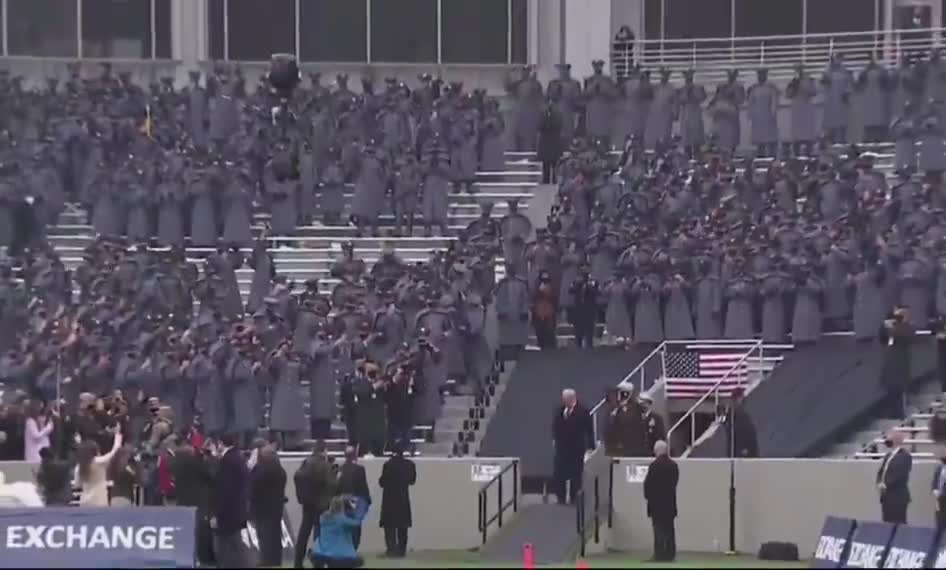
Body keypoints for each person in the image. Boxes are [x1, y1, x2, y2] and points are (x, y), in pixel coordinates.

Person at [293, 441, 338, 568]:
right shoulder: (324, 466)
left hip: (308, 504)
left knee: (303, 534)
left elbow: (297, 477)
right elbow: (332, 485)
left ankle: (298, 562)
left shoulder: (305, 463)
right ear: (324, 450)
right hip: (321, 504)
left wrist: (302, 498)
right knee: (319, 536)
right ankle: (318, 563)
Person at [211, 433, 251, 568]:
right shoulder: (237, 457)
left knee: (226, 547)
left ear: (221, 443)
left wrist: (218, 513)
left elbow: (225, 490)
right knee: (235, 545)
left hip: (228, 512)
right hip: (237, 510)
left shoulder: (227, 460)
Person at [172, 443, 215, 566]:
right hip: (198, 503)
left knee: (186, 532)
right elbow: (210, 476)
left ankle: (186, 557)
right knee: (198, 532)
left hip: (183, 503)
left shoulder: (176, 465)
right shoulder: (196, 463)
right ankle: (199, 558)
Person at [551, 388, 595, 505]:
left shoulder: (583, 411)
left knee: (576, 474)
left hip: (576, 448)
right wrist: (555, 439)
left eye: (565, 399)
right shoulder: (560, 410)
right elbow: (555, 426)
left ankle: (574, 497)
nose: (563, 401)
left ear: (571, 398)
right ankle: (560, 497)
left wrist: (591, 446)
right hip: (562, 448)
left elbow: (589, 430)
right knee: (559, 473)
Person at [250, 444, 288, 568]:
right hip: (276, 508)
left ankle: (266, 560)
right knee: (275, 536)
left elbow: (253, 484)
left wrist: (254, 465)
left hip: (263, 508)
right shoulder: (280, 470)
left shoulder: (263, 470)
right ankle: (276, 559)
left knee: (265, 535)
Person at [643, 441, 679, 563]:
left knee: (658, 529)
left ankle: (659, 554)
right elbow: (674, 483)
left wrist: (648, 497)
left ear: (657, 451)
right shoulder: (674, 466)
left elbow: (648, 485)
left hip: (656, 504)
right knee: (669, 529)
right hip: (670, 503)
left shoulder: (654, 466)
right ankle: (670, 554)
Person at [379, 444, 417, 558]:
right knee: (403, 526)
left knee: (389, 526)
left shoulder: (388, 465)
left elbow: (382, 482)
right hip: (403, 498)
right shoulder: (410, 465)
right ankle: (401, 550)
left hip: (389, 498)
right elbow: (412, 481)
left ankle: (391, 549)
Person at [880, 307, 916, 419]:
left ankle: (900, 416)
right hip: (890, 365)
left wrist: (894, 327)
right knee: (891, 393)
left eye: (902, 314)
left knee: (900, 395)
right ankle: (892, 415)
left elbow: (904, 337)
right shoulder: (892, 327)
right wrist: (885, 325)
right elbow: (882, 338)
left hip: (901, 366)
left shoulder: (909, 328)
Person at [310, 496, 364, 569]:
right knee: (360, 561)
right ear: (342, 507)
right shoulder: (343, 520)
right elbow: (357, 522)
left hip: (321, 554)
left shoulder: (323, 518)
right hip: (341, 557)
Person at [74, 427, 123, 507]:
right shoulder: (98, 462)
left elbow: (77, 485)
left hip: (84, 501)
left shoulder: (79, 466)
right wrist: (118, 437)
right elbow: (113, 452)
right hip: (99, 501)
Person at [336, 446, 371, 550]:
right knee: (355, 528)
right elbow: (363, 487)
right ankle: (353, 548)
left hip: (341, 501)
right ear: (354, 456)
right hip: (355, 501)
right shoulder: (359, 469)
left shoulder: (339, 469)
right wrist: (367, 500)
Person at [876, 429, 912, 524]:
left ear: (896, 440)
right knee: (887, 523)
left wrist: (885, 484)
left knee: (897, 523)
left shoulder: (905, 456)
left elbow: (898, 474)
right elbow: (881, 471)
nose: (886, 440)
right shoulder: (888, 455)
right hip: (886, 496)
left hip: (897, 497)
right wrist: (879, 482)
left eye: (889, 438)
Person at [723, 388, 759, 458]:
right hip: (736, 453)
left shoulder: (742, 417)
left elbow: (749, 433)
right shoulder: (732, 416)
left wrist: (746, 449)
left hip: (745, 453)